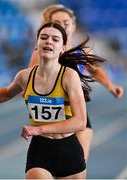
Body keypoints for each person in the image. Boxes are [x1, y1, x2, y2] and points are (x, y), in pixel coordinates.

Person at [0, 22, 106, 179]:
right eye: (43, 37)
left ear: (62, 48)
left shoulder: (69, 76)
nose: (48, 41)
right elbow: (7, 93)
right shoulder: (24, 76)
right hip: (40, 151)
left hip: (68, 150)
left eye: (55, 39)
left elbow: (80, 122)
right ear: (36, 44)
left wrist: (39, 129)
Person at [28, 5, 124, 161]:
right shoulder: (40, 53)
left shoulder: (81, 51)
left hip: (79, 117)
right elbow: (29, 79)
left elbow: (96, 69)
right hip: (51, 120)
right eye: (57, 22)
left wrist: (110, 85)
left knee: (78, 165)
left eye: (66, 22)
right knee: (55, 169)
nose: (63, 25)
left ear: (73, 25)